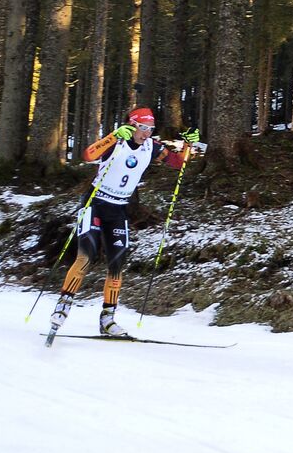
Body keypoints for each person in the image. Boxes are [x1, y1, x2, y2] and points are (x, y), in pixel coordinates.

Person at [47, 108, 197, 338]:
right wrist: (114, 136)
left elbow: (180, 163)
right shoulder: (117, 141)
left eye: (150, 129)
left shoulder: (153, 147)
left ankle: (108, 319)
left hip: (118, 208)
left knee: (117, 263)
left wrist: (189, 145)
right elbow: (88, 155)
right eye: (142, 127)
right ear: (132, 124)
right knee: (85, 257)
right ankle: (63, 305)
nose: (146, 133)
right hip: (95, 203)